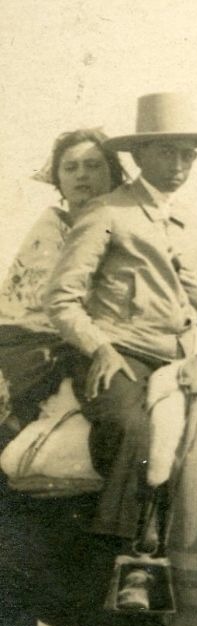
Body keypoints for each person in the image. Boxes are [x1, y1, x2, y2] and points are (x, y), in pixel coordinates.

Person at [44, 94, 197, 581]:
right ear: (139, 155)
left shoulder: (190, 223)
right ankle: (129, 558)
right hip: (114, 355)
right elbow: (61, 298)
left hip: (175, 361)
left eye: (187, 154)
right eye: (167, 152)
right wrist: (100, 348)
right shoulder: (107, 211)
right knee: (136, 429)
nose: (178, 165)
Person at [1, 129, 124, 436]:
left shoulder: (126, 228)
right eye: (70, 168)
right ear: (58, 180)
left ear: (113, 174)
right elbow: (41, 304)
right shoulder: (53, 227)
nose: (82, 175)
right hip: (37, 340)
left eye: (94, 166)